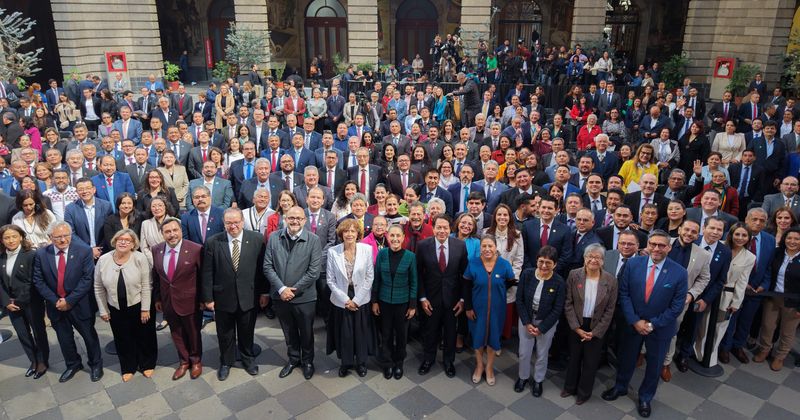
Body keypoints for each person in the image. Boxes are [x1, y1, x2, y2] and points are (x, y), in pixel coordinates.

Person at [601, 230, 688, 418]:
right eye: (653, 244)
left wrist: (652, 325)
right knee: (626, 359)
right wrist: (635, 321)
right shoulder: (633, 264)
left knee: (654, 366)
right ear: (647, 245)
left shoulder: (680, 272)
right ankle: (620, 386)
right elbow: (624, 294)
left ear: (669, 248)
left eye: (661, 245)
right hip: (633, 324)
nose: (656, 248)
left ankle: (645, 397)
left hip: (660, 328)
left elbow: (676, 306)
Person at [202, 208, 268, 381]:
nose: (233, 226)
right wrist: (208, 298)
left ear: (242, 221)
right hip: (223, 297)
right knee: (225, 333)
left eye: (236, 222)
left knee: (247, 331)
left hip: (249, 296)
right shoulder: (213, 242)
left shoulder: (257, 239)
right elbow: (207, 272)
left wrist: (264, 292)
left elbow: (262, 269)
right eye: (229, 223)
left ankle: (248, 359)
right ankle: (226, 362)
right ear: (224, 224)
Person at [33, 221, 103, 383]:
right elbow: (38, 280)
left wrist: (69, 300)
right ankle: (72, 364)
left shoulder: (84, 251)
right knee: (64, 338)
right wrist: (56, 301)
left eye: (66, 235)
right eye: (58, 237)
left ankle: (95, 364)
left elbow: (87, 279)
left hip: (80, 304)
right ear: (50, 237)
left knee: (89, 336)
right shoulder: (42, 254)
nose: (63, 240)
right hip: (56, 306)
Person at [264, 206, 322, 380]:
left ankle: (308, 361)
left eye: (298, 218)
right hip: (280, 297)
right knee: (288, 331)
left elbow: (314, 272)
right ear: (285, 219)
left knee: (306, 332)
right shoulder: (274, 237)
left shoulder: (313, 240)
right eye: (291, 218)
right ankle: (293, 359)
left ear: (305, 220)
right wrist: (282, 289)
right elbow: (267, 266)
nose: (295, 221)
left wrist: (293, 290)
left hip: (305, 298)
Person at [94, 229, 155, 382]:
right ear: (114, 241)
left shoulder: (140, 258)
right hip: (115, 307)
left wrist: (145, 309)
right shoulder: (103, 260)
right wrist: (103, 309)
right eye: (120, 239)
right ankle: (128, 367)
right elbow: (98, 287)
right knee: (122, 338)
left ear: (133, 244)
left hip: (138, 304)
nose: (123, 242)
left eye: (128, 240)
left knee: (144, 336)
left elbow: (146, 285)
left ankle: (147, 364)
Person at [562, 244, 617, 404]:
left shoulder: (611, 280)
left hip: (597, 326)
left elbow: (610, 310)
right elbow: (568, 303)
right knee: (574, 358)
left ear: (603, 260)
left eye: (597, 257)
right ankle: (569, 387)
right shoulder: (574, 275)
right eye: (590, 256)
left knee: (590, 362)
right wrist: (576, 328)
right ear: (584, 258)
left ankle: (584, 393)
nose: (593, 260)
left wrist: (596, 332)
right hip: (577, 323)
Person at [694, 222, 755, 366]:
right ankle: (698, 353)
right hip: (709, 291)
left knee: (719, 328)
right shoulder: (720, 246)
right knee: (703, 325)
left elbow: (742, 281)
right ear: (731, 234)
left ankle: (710, 357)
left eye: (744, 235)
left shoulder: (750, 257)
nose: (740, 238)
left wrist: (736, 302)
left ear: (749, 238)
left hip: (727, 297)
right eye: (737, 234)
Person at [151, 217, 204, 380]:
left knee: (193, 333)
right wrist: (158, 298)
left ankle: (196, 361)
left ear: (181, 231)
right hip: (168, 301)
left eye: (175, 230)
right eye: (167, 231)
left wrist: (203, 299)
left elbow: (203, 277)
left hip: (191, 301)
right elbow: (157, 276)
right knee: (176, 333)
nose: (172, 234)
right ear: (162, 234)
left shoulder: (195, 249)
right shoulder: (156, 250)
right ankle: (184, 361)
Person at [416, 214, 468, 377]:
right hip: (430, 299)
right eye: (438, 227)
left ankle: (448, 361)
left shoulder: (460, 246)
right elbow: (418, 274)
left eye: (445, 228)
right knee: (430, 331)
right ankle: (428, 359)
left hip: (453, 300)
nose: (442, 231)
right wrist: (422, 298)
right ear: (433, 228)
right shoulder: (423, 245)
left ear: (450, 229)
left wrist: (462, 299)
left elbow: (465, 275)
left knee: (451, 332)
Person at [325, 219, 376, 377]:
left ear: (358, 234)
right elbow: (330, 280)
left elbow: (369, 277)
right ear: (341, 234)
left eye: (353, 231)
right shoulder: (333, 252)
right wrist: (346, 300)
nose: (349, 234)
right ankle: (346, 363)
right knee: (345, 333)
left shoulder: (366, 250)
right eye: (346, 231)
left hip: (361, 297)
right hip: (342, 299)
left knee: (361, 332)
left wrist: (357, 300)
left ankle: (361, 363)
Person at [464, 235, 515, 385]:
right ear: (480, 248)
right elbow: (466, 287)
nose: (487, 249)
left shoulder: (504, 265)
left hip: (497, 310)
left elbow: (510, 281)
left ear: (496, 247)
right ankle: (479, 366)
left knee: (493, 338)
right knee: (478, 337)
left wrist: (497, 289)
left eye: (490, 246)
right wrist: (468, 307)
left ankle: (490, 367)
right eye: (484, 246)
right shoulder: (473, 263)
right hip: (476, 309)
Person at [514, 245, 565, 397]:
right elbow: (519, 300)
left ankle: (538, 380)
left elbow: (558, 309)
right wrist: (527, 322)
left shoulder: (559, 282)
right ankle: (523, 377)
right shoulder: (527, 274)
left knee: (542, 353)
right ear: (536, 261)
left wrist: (542, 327)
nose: (544, 266)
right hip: (527, 319)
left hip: (547, 322)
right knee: (524, 353)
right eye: (541, 261)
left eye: (548, 263)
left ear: (555, 264)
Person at [0, 224, 48, 378]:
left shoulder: (31, 255)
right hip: (11, 304)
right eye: (7, 237)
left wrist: (18, 301)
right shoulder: (1, 257)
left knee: (38, 332)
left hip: (31, 302)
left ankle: (42, 361)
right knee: (23, 334)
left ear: (21, 237)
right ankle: (33, 361)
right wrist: (7, 302)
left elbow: (33, 281)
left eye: (14, 236)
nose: (11, 240)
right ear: (2, 240)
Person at [371, 224, 417, 379]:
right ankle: (388, 363)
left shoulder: (410, 256)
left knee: (402, 335)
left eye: (398, 236)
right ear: (387, 236)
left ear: (403, 238)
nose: (395, 239)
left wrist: (412, 305)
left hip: (403, 302)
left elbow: (414, 282)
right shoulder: (382, 254)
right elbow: (377, 278)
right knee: (386, 334)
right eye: (392, 235)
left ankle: (399, 363)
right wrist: (374, 301)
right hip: (384, 302)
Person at [752, 226, 800, 371]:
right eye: (789, 238)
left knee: (787, 331)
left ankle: (780, 356)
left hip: (794, 303)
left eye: (797, 239)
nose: (792, 241)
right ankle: (764, 350)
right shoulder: (777, 252)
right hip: (773, 297)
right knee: (767, 325)